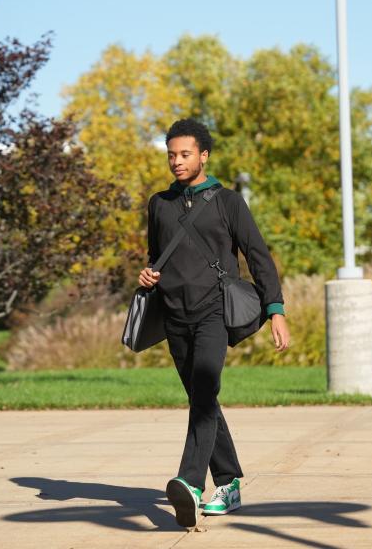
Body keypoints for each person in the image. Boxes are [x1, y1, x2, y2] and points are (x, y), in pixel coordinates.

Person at [138, 118, 290, 528]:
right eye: (171, 154)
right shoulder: (159, 204)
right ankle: (229, 481)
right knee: (202, 400)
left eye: (185, 154)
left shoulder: (228, 202)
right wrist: (149, 274)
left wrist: (275, 310)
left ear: (203, 155)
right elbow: (157, 256)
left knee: (205, 391)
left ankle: (189, 482)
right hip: (174, 314)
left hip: (212, 313)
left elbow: (258, 255)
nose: (176, 161)